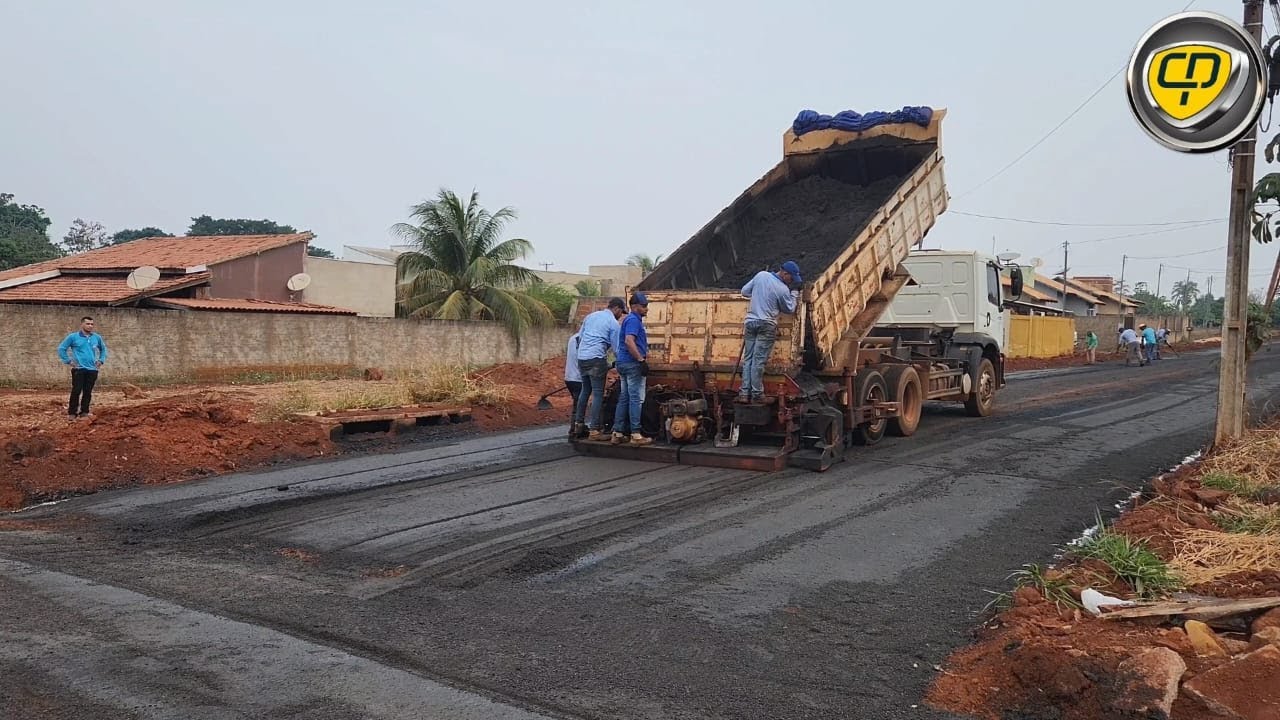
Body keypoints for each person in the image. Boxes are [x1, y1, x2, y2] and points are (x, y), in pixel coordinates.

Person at [738, 261, 802, 403]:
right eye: (791, 278)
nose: (791, 281)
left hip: (750, 323)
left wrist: (759, 294)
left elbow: (744, 292)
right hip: (766, 325)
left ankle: (744, 394)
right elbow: (790, 309)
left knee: (748, 359)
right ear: (784, 273)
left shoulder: (761, 275)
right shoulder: (782, 289)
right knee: (758, 361)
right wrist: (794, 293)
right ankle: (757, 394)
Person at [571, 297, 627, 440]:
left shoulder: (591, 316)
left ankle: (578, 424)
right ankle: (594, 430)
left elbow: (580, 338)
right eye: (621, 312)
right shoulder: (613, 323)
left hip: (582, 357)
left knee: (585, 390)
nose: (621, 315)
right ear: (617, 308)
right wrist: (621, 363)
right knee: (597, 393)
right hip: (596, 358)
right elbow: (617, 348)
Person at [611, 293, 653, 446]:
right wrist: (641, 360)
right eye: (643, 306)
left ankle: (617, 433)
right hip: (631, 364)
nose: (646, 309)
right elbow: (629, 341)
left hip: (623, 363)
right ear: (634, 306)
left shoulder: (629, 320)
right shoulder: (634, 320)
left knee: (624, 397)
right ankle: (635, 434)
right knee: (635, 398)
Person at [57, 316, 109, 419]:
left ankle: (84, 412)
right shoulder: (73, 337)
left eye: (92, 324)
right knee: (76, 390)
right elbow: (61, 348)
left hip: (92, 369)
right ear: (82, 324)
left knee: (88, 391)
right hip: (79, 369)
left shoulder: (96, 337)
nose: (90, 326)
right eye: (87, 324)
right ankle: (72, 413)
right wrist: (69, 361)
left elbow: (103, 349)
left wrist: (101, 360)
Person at [564, 330, 583, 438]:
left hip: (569, 377)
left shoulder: (572, 338)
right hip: (578, 378)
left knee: (577, 403)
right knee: (579, 405)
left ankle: (575, 427)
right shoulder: (585, 340)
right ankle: (575, 429)